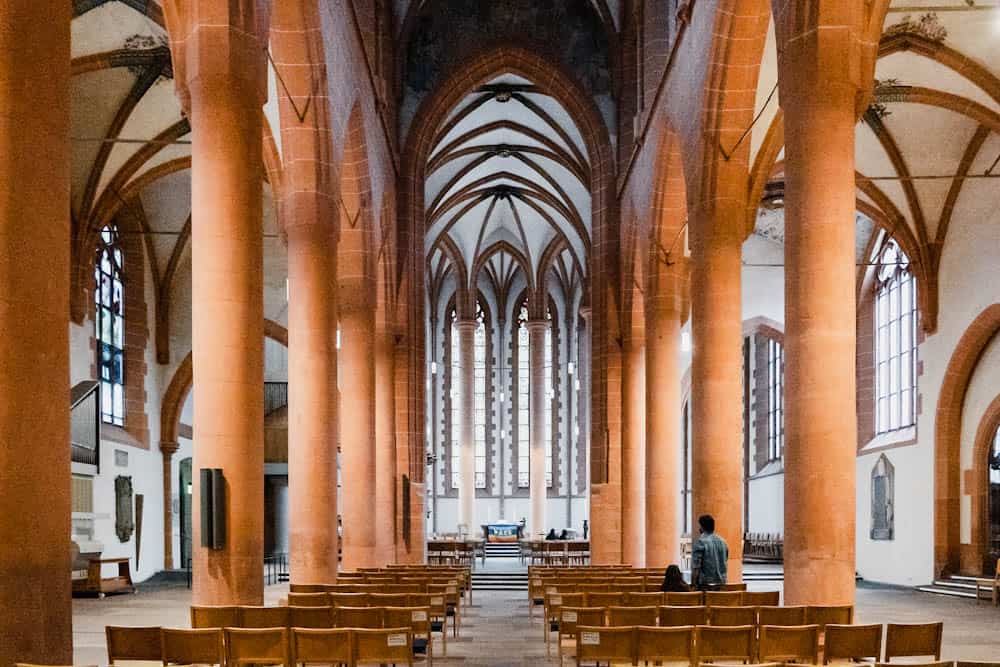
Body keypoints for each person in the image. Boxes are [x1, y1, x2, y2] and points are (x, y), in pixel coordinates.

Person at [691, 514, 728, 590]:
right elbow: (725, 560)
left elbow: (696, 567)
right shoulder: (723, 542)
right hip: (722, 584)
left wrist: (693, 584)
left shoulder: (701, 542)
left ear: (702, 527)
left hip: (705, 585)